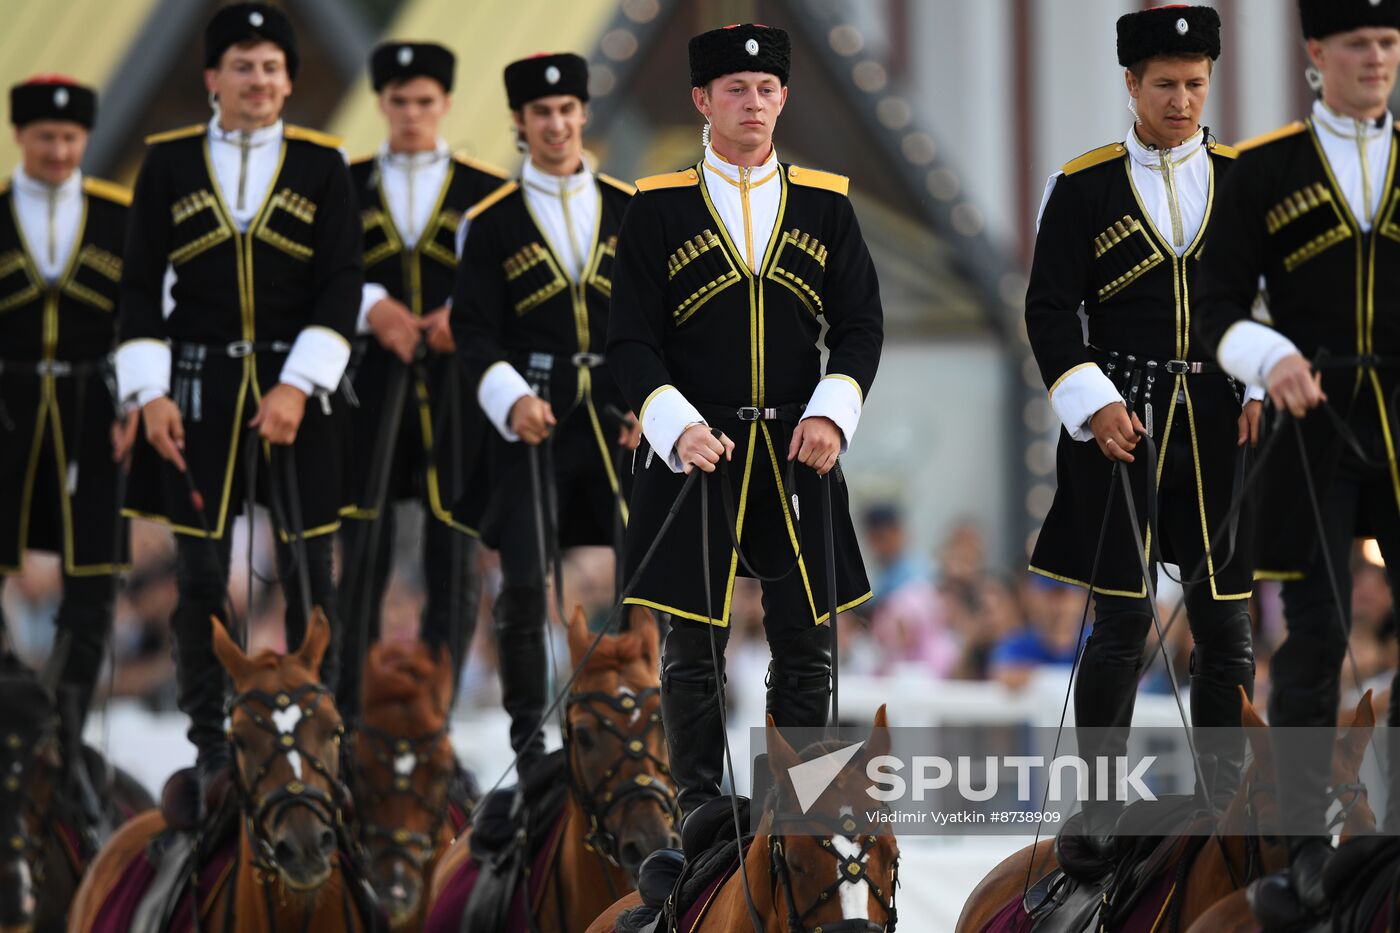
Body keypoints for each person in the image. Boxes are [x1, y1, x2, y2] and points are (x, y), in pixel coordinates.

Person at [607, 23, 884, 822]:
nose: (754, 102)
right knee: (692, 647)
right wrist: (674, 425)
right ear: (703, 100)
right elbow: (629, 339)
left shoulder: (827, 203)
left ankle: (793, 808)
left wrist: (834, 413)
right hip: (696, 450)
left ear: (784, 98)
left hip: (800, 449)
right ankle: (697, 809)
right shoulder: (656, 206)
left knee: (807, 639)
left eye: (767, 90)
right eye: (736, 89)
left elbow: (860, 325)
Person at [1024, 4, 1259, 859]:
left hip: (1219, 421)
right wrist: (1091, 400)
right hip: (1119, 421)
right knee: (1121, 622)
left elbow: (1265, 305)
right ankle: (1092, 813)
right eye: (1165, 84)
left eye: (1196, 84)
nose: (1183, 100)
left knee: (1225, 624)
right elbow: (1048, 310)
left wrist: (1263, 374)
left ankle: (1228, 804)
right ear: (1130, 83)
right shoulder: (1081, 185)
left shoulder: (1243, 178)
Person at [115, 2, 360, 806]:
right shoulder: (167, 164)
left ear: (290, 81)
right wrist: (148, 392)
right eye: (243, 65)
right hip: (195, 392)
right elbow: (140, 288)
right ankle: (211, 742)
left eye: (272, 67)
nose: (259, 80)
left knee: (309, 574)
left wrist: (298, 383)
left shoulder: (324, 165)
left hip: (302, 388)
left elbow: (340, 286)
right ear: (213, 77)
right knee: (199, 576)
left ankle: (321, 730)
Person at [1196, 0, 1400, 912]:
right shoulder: (1266, 168)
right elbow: (1214, 307)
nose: (1377, 58)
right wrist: (1267, 356)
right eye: (1359, 43)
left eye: (1390, 43)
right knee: (1313, 633)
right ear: (1317, 52)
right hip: (1312, 423)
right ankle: (1299, 847)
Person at [451, 52, 638, 781]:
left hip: (619, 419)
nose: (556, 124)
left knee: (647, 581)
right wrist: (509, 398)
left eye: (567, 110)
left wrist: (649, 406)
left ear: (583, 114)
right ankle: (529, 745)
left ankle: (639, 731)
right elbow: (473, 330)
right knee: (524, 585)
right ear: (521, 124)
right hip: (534, 419)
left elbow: (652, 323)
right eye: (541, 114)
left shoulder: (631, 206)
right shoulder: (490, 221)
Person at [336, 41, 503, 719]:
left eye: (424, 101)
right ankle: (350, 712)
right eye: (399, 101)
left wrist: (462, 314)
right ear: (381, 104)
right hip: (368, 394)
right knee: (362, 558)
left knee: (454, 563)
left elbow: (505, 278)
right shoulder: (344, 183)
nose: (411, 113)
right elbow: (327, 274)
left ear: (446, 105)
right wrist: (371, 306)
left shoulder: (485, 189)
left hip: (455, 398)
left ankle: (434, 711)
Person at [0, 74, 135, 820]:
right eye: (45, 136)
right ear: (21, 135)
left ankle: (70, 737)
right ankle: (9, 721)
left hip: (92, 410)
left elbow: (148, 315)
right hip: (7, 409)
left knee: (94, 577)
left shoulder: (120, 217)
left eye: (70, 138)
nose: (58, 150)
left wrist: (140, 397)